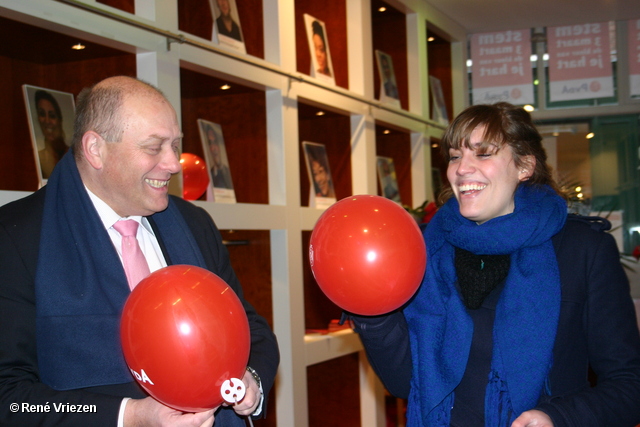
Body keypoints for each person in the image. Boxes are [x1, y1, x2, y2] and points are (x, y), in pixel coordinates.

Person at [0, 76, 279, 426]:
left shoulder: (194, 224)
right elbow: (10, 398)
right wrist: (127, 416)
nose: (174, 163)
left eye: (175, 145)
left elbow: (249, 329)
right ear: (95, 149)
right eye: (153, 147)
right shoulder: (15, 238)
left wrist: (251, 380)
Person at [351, 102, 640, 426]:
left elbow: (629, 384)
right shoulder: (426, 250)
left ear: (524, 166)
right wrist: (371, 314)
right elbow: (403, 382)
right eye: (455, 155)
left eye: (483, 153)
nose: (461, 168)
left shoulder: (582, 250)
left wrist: (559, 417)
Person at [34, 90, 69, 179]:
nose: (47, 121)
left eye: (52, 115)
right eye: (42, 114)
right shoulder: (39, 158)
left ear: (59, 120)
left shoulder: (73, 156)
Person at [204, 123, 233, 190]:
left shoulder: (228, 172)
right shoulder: (208, 175)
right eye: (211, 144)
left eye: (215, 143)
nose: (214, 148)